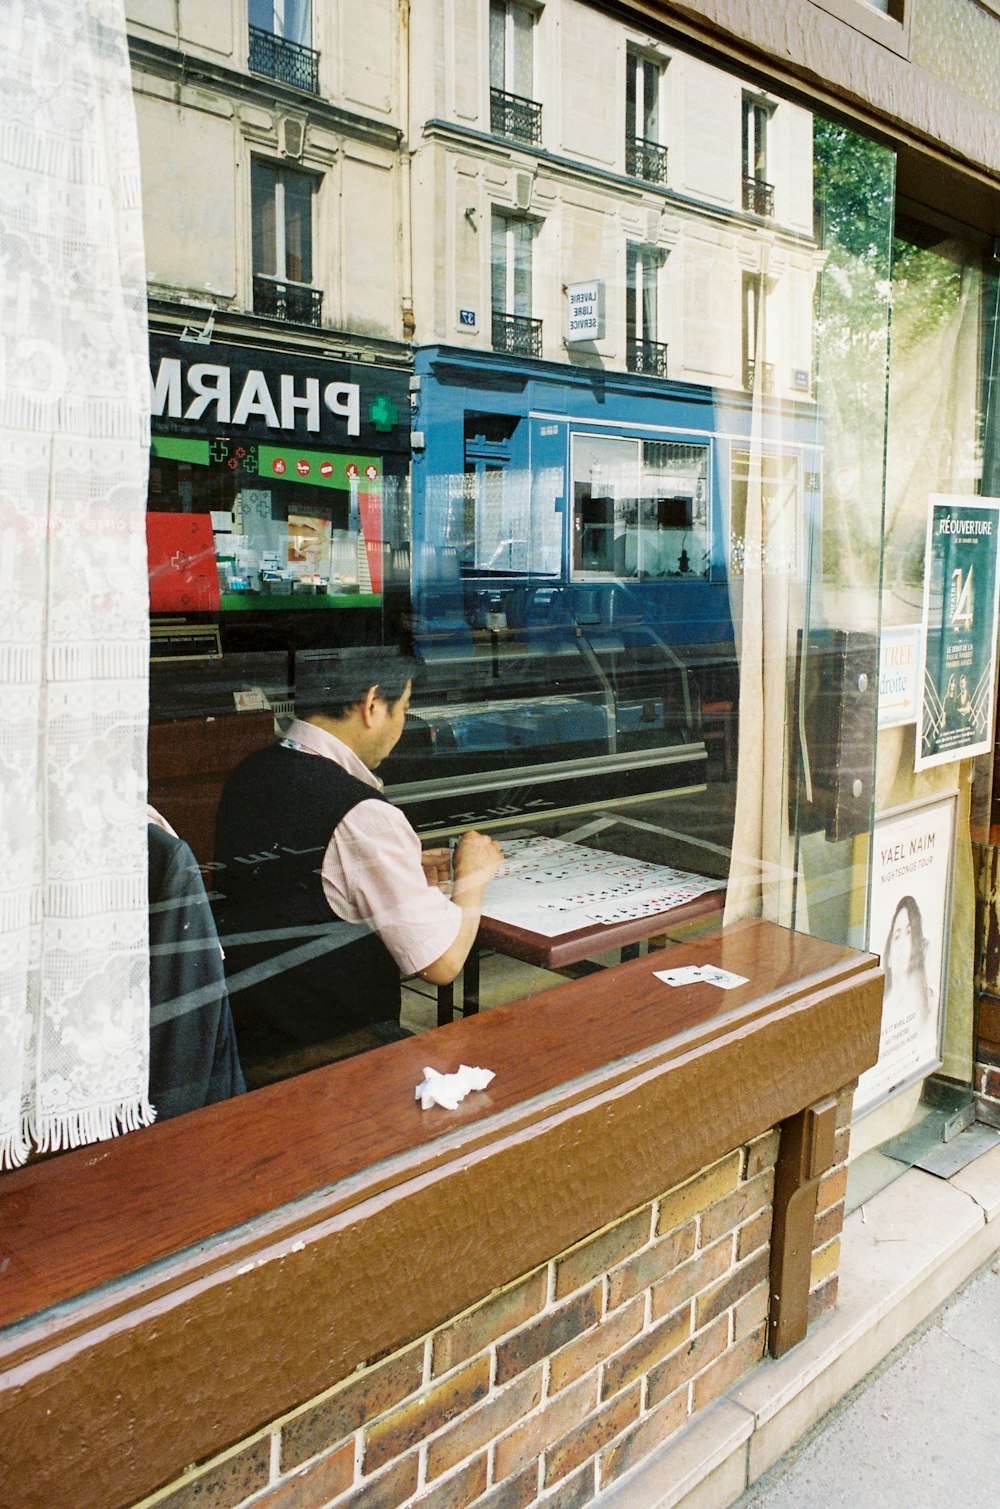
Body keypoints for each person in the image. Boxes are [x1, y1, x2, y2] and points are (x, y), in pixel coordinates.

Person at [212, 649, 503, 1083]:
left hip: (246, 1043)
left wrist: (393, 870)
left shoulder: (250, 771)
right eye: (403, 708)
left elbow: (284, 885)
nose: (403, 724)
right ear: (371, 705)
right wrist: (474, 876)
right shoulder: (362, 815)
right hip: (339, 1060)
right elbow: (441, 965)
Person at [882, 894, 935, 1033]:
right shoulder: (882, 1008)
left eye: (909, 933)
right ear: (888, 958)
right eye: (897, 936)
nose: (902, 944)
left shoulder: (929, 1004)